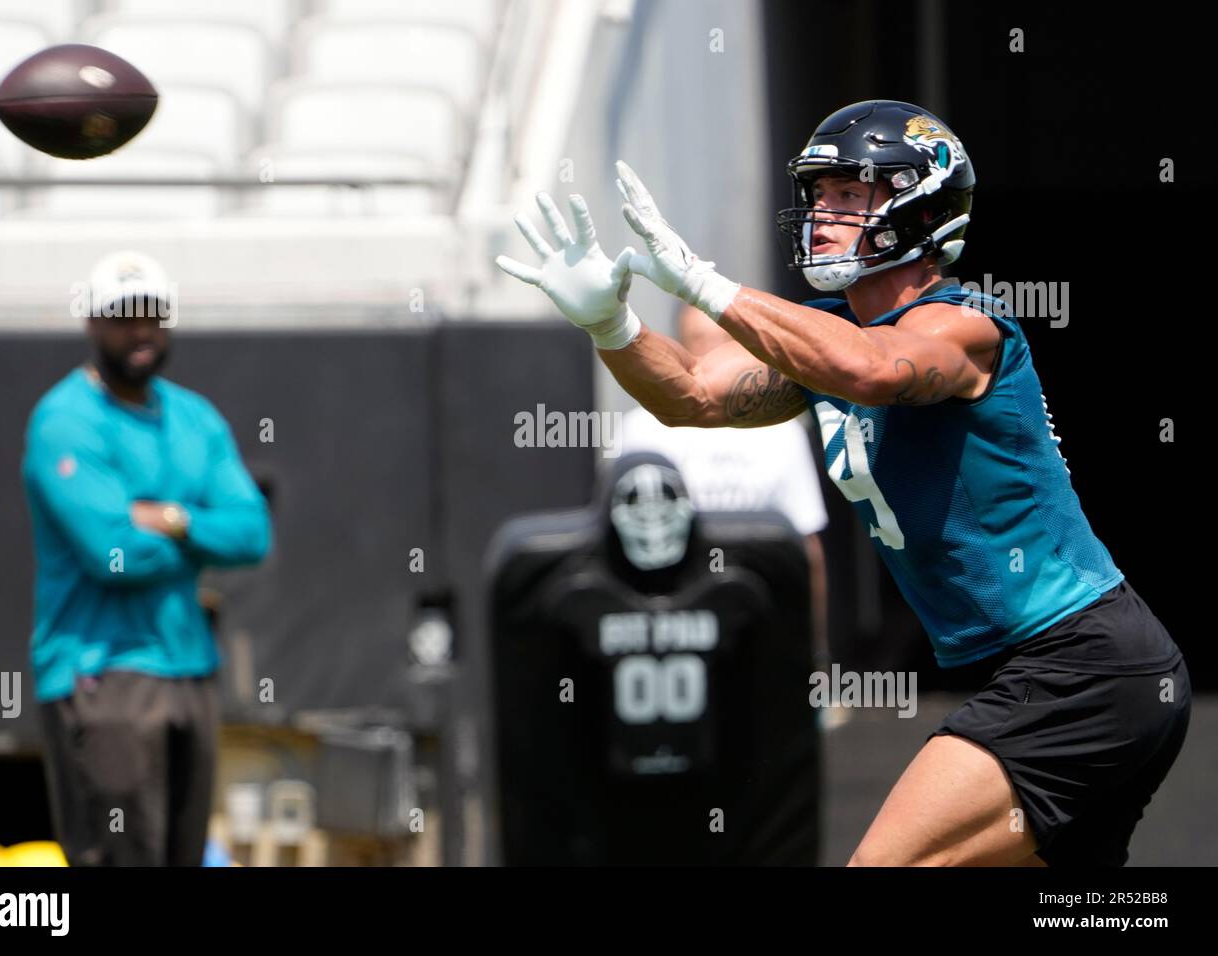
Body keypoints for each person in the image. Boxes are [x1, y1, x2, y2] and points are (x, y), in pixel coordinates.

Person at [495, 100, 1190, 867]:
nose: (823, 214)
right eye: (820, 195)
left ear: (921, 206)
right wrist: (612, 327)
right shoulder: (829, 339)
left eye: (850, 196)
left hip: (1080, 664)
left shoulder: (964, 324)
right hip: (1054, 671)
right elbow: (690, 393)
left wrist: (702, 282)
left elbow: (870, 370)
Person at [21, 251, 271, 865]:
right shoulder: (65, 421)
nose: (141, 330)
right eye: (122, 316)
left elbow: (251, 534)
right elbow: (112, 556)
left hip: (188, 669)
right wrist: (193, 537)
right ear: (91, 324)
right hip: (103, 674)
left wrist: (170, 517)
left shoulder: (194, 417)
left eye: (153, 315)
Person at [614, 303, 830, 668]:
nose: (711, 352)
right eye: (699, 339)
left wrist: (816, 649)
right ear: (677, 344)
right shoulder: (639, 428)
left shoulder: (783, 430)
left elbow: (806, 546)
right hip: (671, 624)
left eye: (723, 340)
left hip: (762, 619)